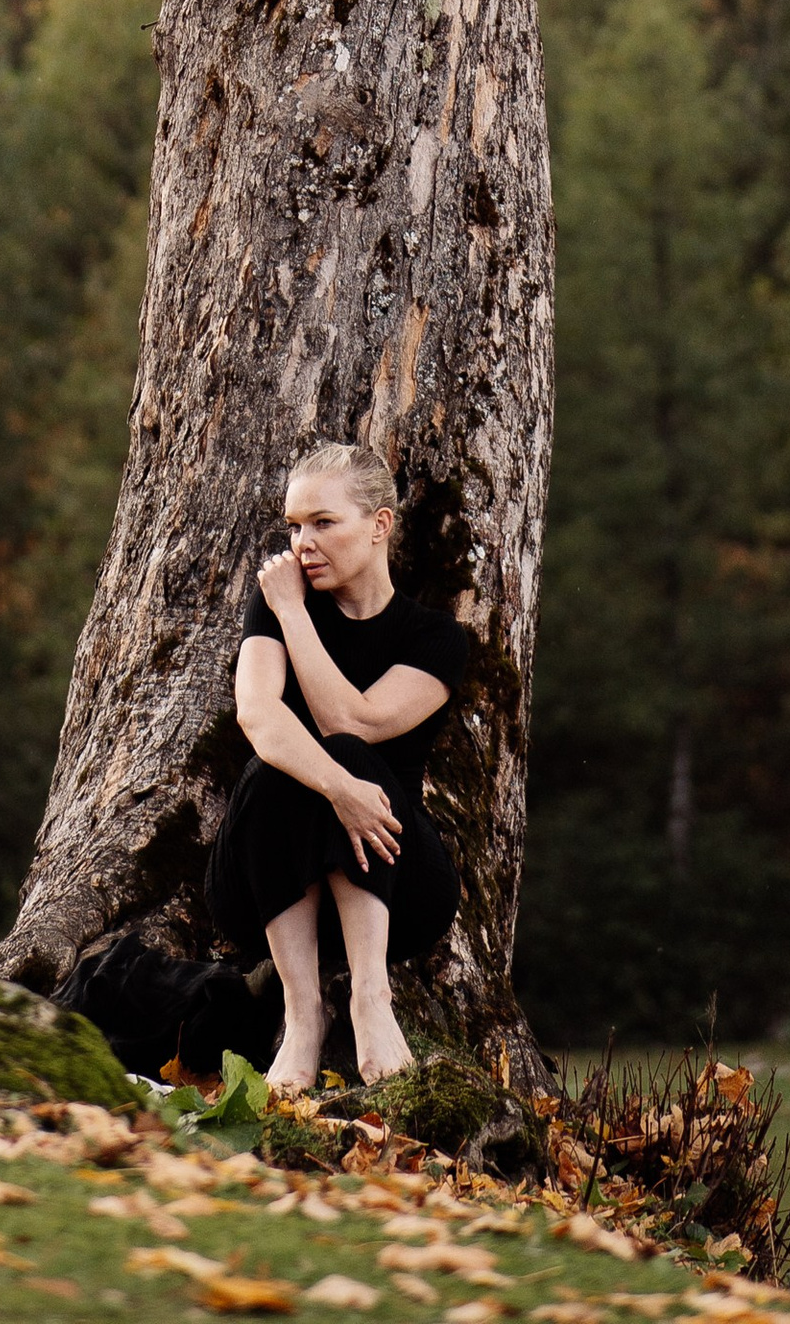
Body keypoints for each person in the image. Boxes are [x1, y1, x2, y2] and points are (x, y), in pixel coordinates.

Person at [202, 439, 470, 1092]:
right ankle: (303, 1015)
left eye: (323, 522)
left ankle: (371, 999)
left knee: (349, 749)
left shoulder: (435, 637)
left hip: (394, 878)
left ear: (380, 525)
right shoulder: (275, 603)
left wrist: (295, 614)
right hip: (269, 881)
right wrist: (338, 787)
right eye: (294, 526)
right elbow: (257, 715)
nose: (303, 544)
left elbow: (354, 722)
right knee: (276, 769)